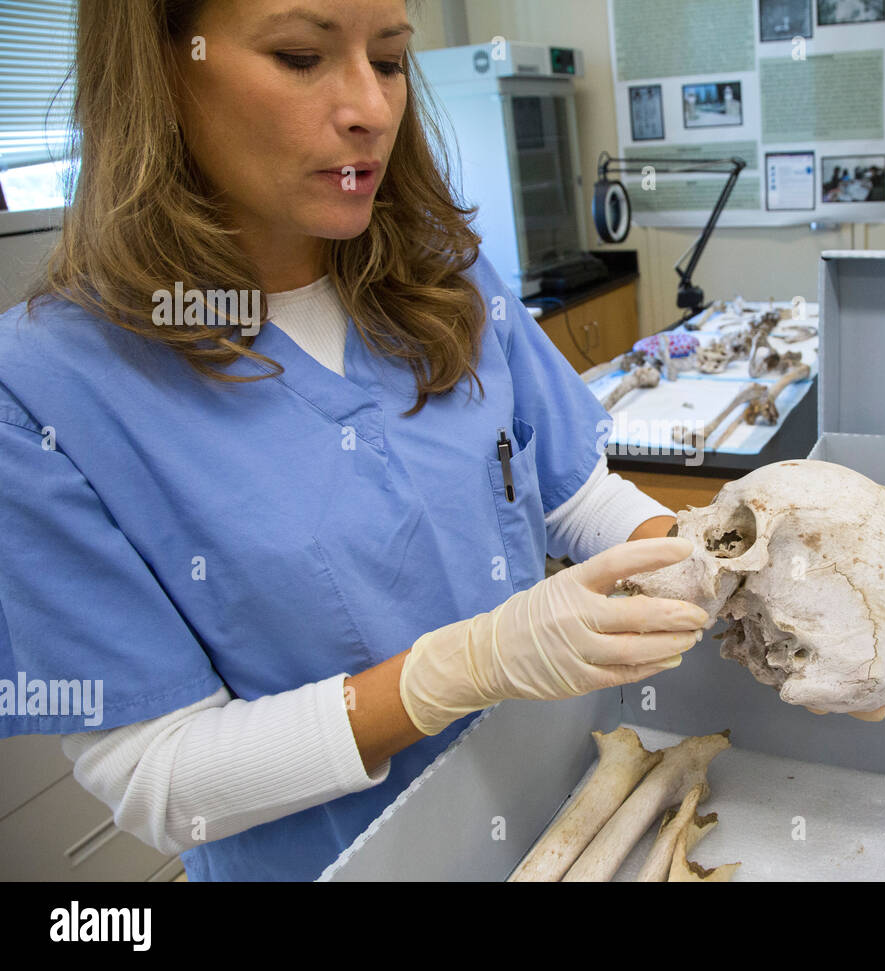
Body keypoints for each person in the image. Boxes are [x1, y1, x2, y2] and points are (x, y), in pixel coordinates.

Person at [0, 0, 707, 882]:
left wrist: (718, 560)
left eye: (391, 59)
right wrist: (452, 671)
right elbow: (161, 778)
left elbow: (573, 493)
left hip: (555, 815)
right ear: (162, 63)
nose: (370, 108)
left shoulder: (444, 271)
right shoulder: (46, 391)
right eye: (301, 56)